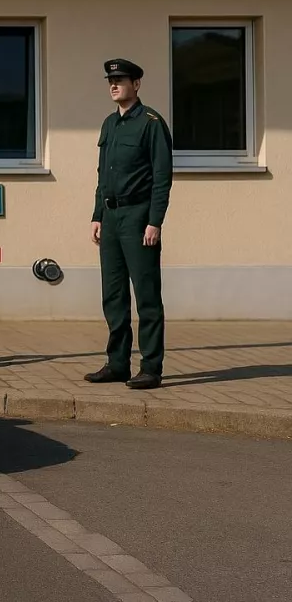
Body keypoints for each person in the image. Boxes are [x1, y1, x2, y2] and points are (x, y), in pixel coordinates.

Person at [84, 58, 173, 390]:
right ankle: (118, 363)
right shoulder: (109, 124)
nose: (114, 84)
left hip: (138, 217)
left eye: (121, 79)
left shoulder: (151, 123)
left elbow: (162, 178)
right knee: (113, 294)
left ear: (137, 84)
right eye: (111, 79)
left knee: (147, 294)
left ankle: (151, 366)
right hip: (110, 217)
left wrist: (155, 221)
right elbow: (102, 174)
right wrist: (96, 214)